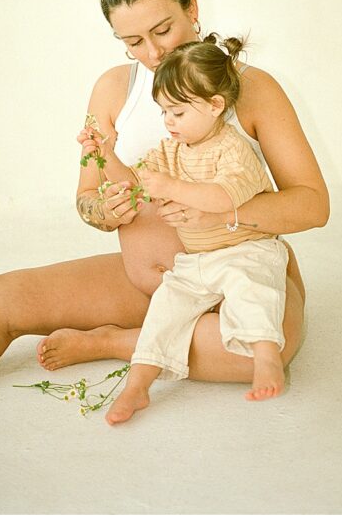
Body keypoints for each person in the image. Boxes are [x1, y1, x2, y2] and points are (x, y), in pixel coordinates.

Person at [0, 0, 328, 392]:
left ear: (192, 5)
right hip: (155, 286)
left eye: (163, 29)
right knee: (2, 295)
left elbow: (313, 204)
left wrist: (221, 218)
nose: (153, 53)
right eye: (132, 41)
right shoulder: (112, 90)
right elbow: (87, 194)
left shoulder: (250, 89)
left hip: (242, 278)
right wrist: (102, 210)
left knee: (264, 346)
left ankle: (116, 342)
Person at [96, 36, 290, 424]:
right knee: (164, 311)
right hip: (197, 259)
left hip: (246, 249)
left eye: (178, 112)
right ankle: (138, 385)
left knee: (250, 289)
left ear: (215, 106)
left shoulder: (232, 148)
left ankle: (267, 359)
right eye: (164, 112)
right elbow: (134, 181)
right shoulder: (173, 150)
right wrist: (105, 154)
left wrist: (170, 188)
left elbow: (223, 198)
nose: (168, 122)